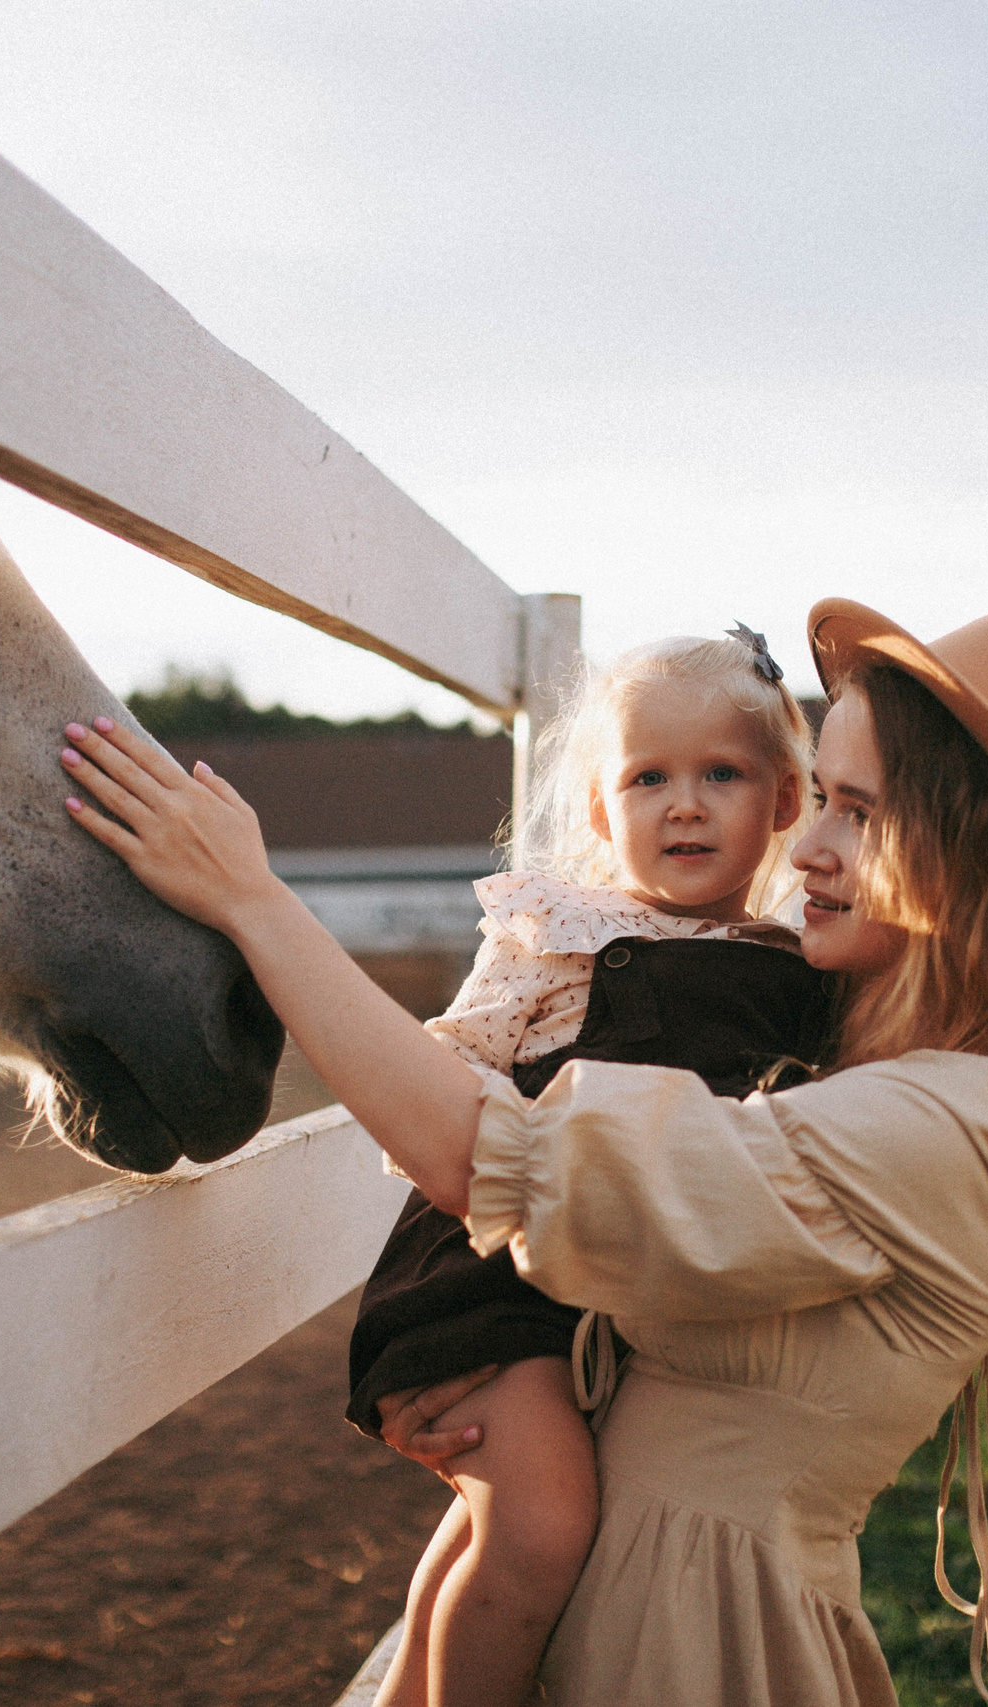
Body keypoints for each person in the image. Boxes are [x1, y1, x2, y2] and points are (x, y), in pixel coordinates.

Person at [57, 599, 988, 1706]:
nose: (811, 847)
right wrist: (485, 1371)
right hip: (644, 1609)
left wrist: (256, 904)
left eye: (854, 811)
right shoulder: (860, 1073)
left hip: (695, 1647)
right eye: (822, 802)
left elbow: (507, 1160)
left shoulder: (938, 1128)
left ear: (973, 861)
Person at [344, 629, 837, 1706]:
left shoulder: (797, 972)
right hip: (486, 1267)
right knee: (540, 1522)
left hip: (603, 1289)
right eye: (648, 777)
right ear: (605, 813)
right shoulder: (559, 933)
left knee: (490, 1523)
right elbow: (444, 1079)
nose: (686, 804)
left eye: (723, 773)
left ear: (787, 799)